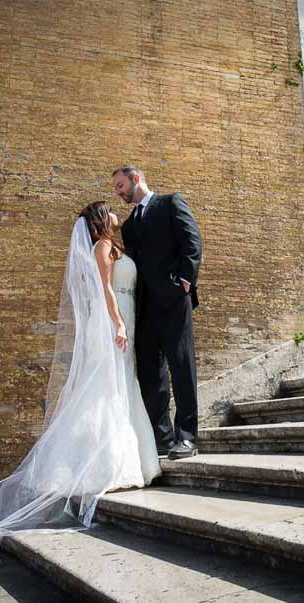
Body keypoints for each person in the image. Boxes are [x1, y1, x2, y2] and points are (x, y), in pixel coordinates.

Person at [0, 202, 160, 569]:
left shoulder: (111, 244)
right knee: (107, 388)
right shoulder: (103, 246)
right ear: (101, 221)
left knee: (120, 386)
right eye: (109, 209)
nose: (115, 212)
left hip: (121, 315)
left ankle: (126, 460)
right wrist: (118, 323)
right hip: (111, 320)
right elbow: (104, 287)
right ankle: (102, 464)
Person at [113, 165, 202, 460]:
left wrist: (185, 285)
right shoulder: (128, 225)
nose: (119, 191)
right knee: (151, 374)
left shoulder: (170, 203)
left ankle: (187, 437)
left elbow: (192, 242)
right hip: (144, 307)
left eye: (121, 185)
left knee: (182, 366)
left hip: (175, 301)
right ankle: (162, 437)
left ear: (136, 178)